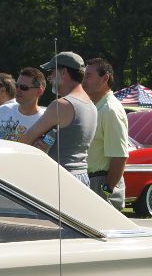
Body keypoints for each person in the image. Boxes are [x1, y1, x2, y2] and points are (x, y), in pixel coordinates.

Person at [18, 51, 96, 180]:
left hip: (60, 176)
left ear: (64, 72)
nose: (50, 77)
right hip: (81, 176)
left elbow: (25, 141)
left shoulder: (61, 105)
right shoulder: (90, 105)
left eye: (52, 71)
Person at [79, 56, 129, 201]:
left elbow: (120, 156)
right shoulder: (95, 107)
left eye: (88, 76)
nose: (83, 81)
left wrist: (107, 189)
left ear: (105, 78)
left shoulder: (110, 109)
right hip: (91, 180)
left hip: (100, 182)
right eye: (83, 76)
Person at [0, 67, 47, 147]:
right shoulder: (3, 110)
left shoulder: (45, 120)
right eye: (17, 86)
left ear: (39, 91)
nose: (18, 90)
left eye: (24, 87)